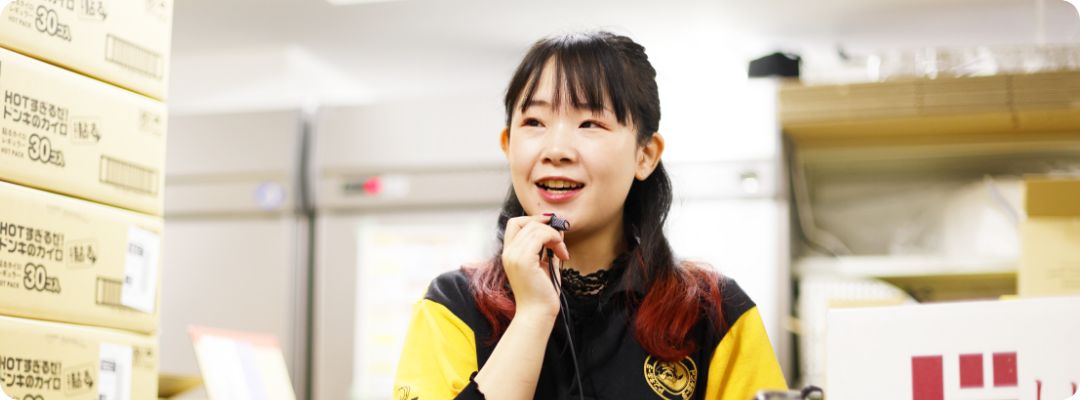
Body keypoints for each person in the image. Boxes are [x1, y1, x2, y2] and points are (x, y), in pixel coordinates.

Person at [394, 31, 787, 400]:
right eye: (534, 122)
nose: (556, 150)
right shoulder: (454, 306)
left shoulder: (714, 312)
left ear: (645, 155)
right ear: (508, 144)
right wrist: (532, 315)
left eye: (590, 123)